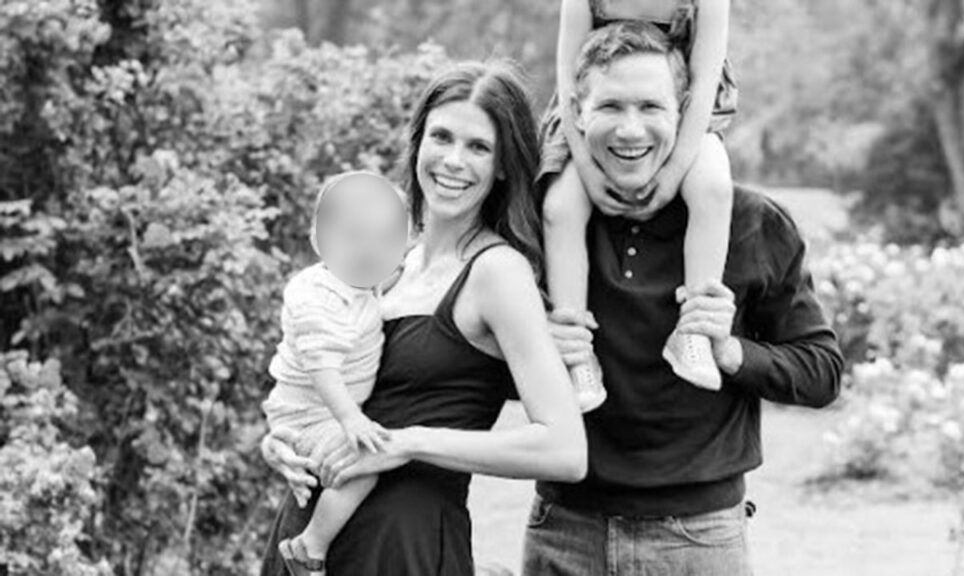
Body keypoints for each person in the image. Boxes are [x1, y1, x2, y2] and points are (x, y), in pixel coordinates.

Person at [523, 22, 843, 575]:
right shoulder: (548, 220)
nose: (630, 130)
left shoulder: (748, 222)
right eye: (611, 106)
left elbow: (821, 373)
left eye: (651, 106)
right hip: (564, 529)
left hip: (699, 539)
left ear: (687, 112)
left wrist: (731, 352)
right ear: (577, 112)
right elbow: (478, 372)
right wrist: (535, 349)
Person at [259, 61, 587, 576]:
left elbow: (564, 450)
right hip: (307, 534)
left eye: (478, 147)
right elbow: (334, 380)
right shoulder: (390, 263)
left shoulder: (497, 273)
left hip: (401, 545)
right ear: (418, 144)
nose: (453, 160)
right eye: (442, 137)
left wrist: (407, 443)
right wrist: (285, 440)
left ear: (503, 165)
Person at [541, 0, 739, 411]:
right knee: (560, 207)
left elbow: (703, 84)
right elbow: (567, 73)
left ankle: (694, 330)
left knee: (713, 187)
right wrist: (586, 167)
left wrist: (674, 171)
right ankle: (576, 349)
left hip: (685, 114)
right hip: (595, 111)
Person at [263, 172, 408, 575]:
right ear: (318, 241)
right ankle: (309, 547)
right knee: (364, 466)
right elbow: (321, 365)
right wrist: (350, 419)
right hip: (311, 416)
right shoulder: (320, 297)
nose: (368, 251)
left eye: (384, 240)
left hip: (323, 414)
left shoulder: (360, 283)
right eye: (354, 237)